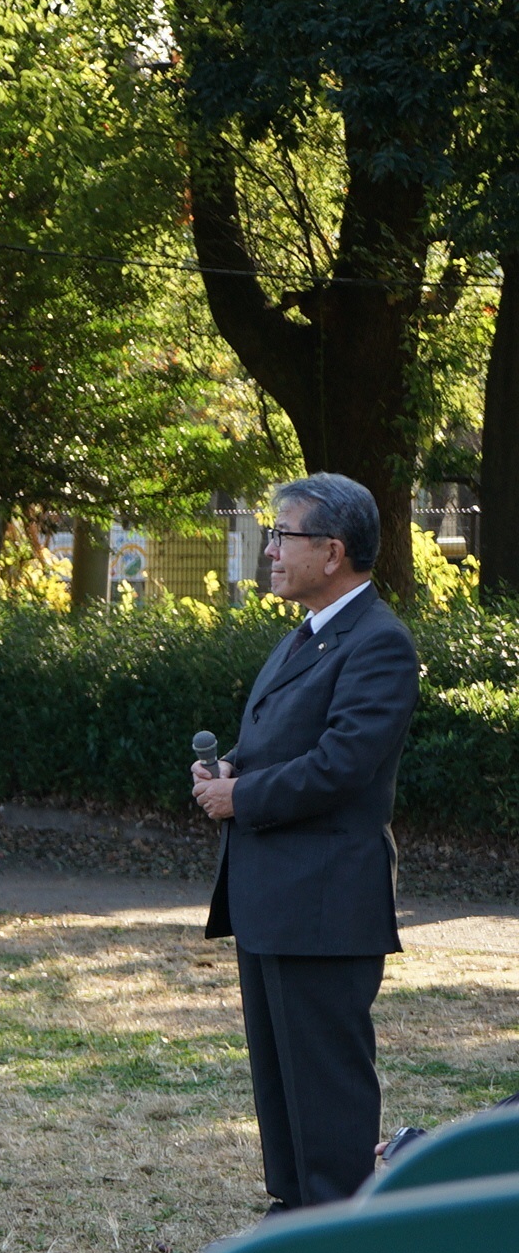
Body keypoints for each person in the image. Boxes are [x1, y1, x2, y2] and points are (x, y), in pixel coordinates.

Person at [195, 472, 418, 1209]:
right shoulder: (309, 633)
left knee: (325, 1083)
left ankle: (338, 1235)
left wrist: (241, 795)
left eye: (283, 536)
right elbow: (291, 740)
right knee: (281, 1075)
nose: (271, 551)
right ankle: (295, 1215)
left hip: (324, 901)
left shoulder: (378, 642)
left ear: (334, 552)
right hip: (276, 896)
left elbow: (342, 765)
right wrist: (235, 764)